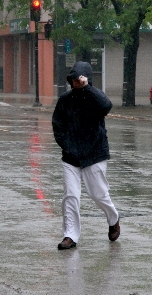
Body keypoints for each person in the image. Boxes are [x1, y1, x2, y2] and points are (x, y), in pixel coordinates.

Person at [51, 61, 120, 250]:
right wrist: (66, 145)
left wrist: (87, 87)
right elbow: (57, 124)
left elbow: (106, 106)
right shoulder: (65, 100)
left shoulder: (94, 97)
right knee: (71, 196)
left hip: (94, 154)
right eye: (73, 79)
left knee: (98, 195)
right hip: (71, 156)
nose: (76, 82)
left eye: (79, 79)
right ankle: (70, 235)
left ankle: (113, 219)